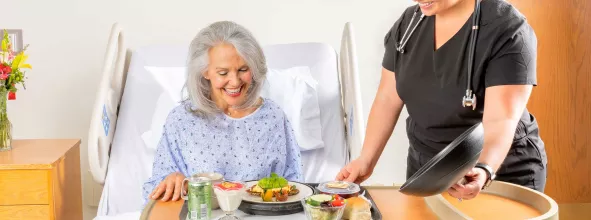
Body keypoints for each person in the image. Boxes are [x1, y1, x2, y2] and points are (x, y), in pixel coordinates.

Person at [336, 0, 547, 201]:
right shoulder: (409, 24)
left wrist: (485, 168)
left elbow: (501, 119)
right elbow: (388, 98)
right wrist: (366, 160)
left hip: (497, 172)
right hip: (427, 172)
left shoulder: (507, 30)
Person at [143, 21, 304, 203]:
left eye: (243, 69)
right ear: (205, 72)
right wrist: (173, 180)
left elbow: (295, 183)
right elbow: (154, 192)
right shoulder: (182, 120)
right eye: (223, 73)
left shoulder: (273, 116)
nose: (234, 82)